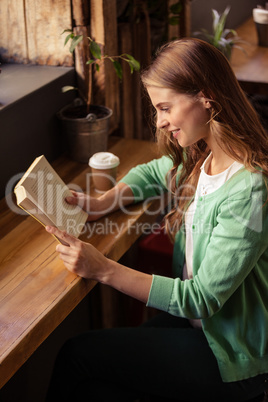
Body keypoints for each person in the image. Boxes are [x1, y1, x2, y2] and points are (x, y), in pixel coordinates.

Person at [45, 38, 268, 401]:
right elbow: (154, 172)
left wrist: (103, 268)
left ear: (206, 97)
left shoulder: (250, 191)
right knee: (96, 384)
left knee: (77, 356)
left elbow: (200, 299)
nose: (161, 122)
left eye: (165, 108)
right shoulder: (203, 154)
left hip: (232, 352)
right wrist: (102, 202)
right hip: (201, 326)